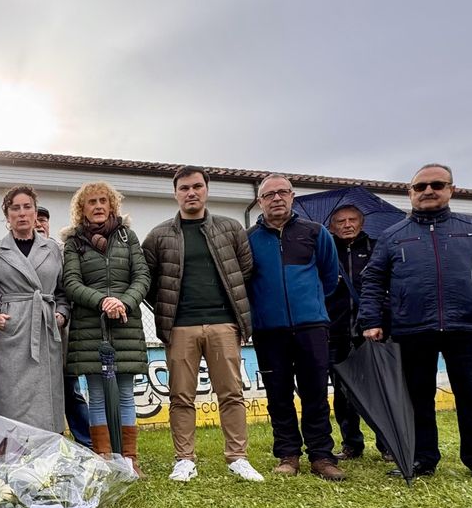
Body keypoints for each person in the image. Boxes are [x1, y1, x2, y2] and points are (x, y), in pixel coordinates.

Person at [360, 163, 472, 483]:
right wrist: (371, 319)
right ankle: (423, 458)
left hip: (467, 326)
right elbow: (373, 280)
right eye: (420, 187)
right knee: (417, 397)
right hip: (412, 328)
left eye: (436, 185)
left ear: (450, 190)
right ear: (410, 193)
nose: (428, 191)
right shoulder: (392, 236)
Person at [142, 166, 261, 482]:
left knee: (231, 393)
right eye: (184, 188)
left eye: (197, 186)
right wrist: (168, 309)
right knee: (181, 396)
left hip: (224, 324)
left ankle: (238, 457)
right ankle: (184, 459)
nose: (191, 193)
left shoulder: (230, 228)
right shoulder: (159, 235)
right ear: (176, 193)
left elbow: (245, 271)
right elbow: (147, 280)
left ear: (207, 189)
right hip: (180, 327)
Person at [246, 174, 343, 481]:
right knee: (278, 394)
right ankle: (288, 454)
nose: (276, 198)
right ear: (260, 202)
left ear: (292, 196)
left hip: (311, 326)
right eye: (269, 194)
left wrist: (309, 305)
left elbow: (329, 276)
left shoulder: (315, 233)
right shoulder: (249, 239)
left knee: (315, 392)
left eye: (282, 192)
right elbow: (246, 282)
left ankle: (322, 456)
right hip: (268, 330)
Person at [61, 182, 149, 473]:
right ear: (81, 209)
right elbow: (71, 283)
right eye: (91, 202)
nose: (98, 206)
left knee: (125, 394)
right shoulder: (73, 242)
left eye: (103, 201)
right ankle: (103, 458)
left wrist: (124, 302)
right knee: (96, 395)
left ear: (112, 205)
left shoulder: (128, 237)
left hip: (126, 325)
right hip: (90, 329)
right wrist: (104, 302)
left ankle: (129, 459)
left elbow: (142, 277)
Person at [0, 185, 70, 433]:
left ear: (35, 213)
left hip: (45, 325)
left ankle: (48, 450)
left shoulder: (53, 249)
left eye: (27, 207)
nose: (22, 213)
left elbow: (62, 291)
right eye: (15, 208)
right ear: (7, 215)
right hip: (13, 327)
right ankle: (13, 449)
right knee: (13, 392)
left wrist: (61, 315)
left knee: (47, 391)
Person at [324, 204, 391, 462]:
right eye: (340, 221)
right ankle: (352, 444)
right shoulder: (327, 251)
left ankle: (386, 445)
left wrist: (381, 320)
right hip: (335, 331)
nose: (347, 225)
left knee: (378, 390)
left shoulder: (377, 249)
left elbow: (388, 288)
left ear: (361, 223)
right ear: (332, 226)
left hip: (373, 332)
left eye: (352, 220)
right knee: (342, 393)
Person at [37, 205, 92, 448]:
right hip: (28, 333)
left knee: (70, 388)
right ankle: (47, 440)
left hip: (61, 330)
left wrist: (62, 313)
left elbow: (69, 286)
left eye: (43, 220)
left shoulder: (61, 251)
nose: (39, 224)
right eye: (35, 219)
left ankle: (86, 441)